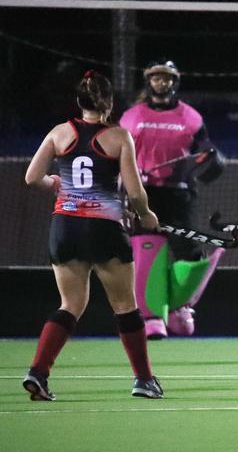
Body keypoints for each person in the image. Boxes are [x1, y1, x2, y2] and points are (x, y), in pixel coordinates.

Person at [23, 70, 163, 400]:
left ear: (78, 102)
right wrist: (146, 215)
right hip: (104, 229)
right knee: (125, 307)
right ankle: (144, 380)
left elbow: (32, 177)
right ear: (109, 103)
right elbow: (135, 191)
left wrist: (54, 183)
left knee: (70, 304)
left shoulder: (59, 133)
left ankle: (38, 373)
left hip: (65, 227)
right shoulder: (118, 137)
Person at [120, 60, 224, 339]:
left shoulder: (191, 117)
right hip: (143, 194)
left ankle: (180, 307)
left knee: (190, 252)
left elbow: (206, 152)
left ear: (174, 82)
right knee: (145, 252)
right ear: (149, 81)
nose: (161, 82)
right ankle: (152, 316)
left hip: (180, 194)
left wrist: (207, 159)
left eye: (166, 78)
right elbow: (118, 152)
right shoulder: (131, 116)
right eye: (156, 77)